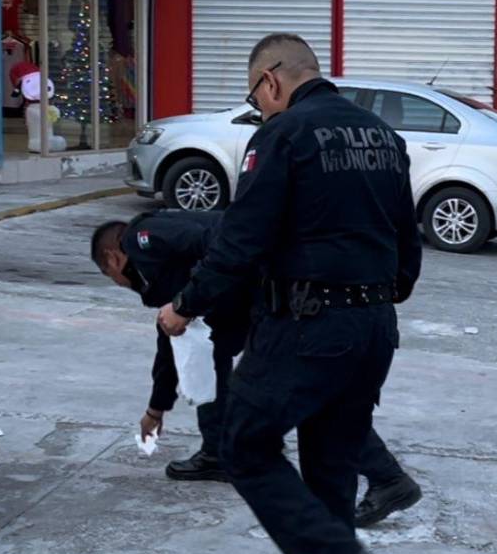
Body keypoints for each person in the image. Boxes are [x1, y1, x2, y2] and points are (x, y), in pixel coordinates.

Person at [156, 34, 422, 554]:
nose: (259, 107)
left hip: (307, 322)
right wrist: (383, 294)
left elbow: (240, 240)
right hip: (374, 326)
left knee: (244, 444)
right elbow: (407, 242)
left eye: (257, 96)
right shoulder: (384, 136)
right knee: (331, 461)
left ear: (271, 80)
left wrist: (185, 304)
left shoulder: (283, 135)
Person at [90, 210, 423, 528]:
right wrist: (156, 408)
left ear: (112, 258)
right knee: (208, 355)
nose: (118, 282)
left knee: (300, 391)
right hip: (248, 302)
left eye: (110, 275)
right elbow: (173, 338)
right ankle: (217, 451)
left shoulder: (142, 236)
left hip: (279, 295)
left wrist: (194, 295)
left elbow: (217, 238)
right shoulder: (159, 271)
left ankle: (388, 479)